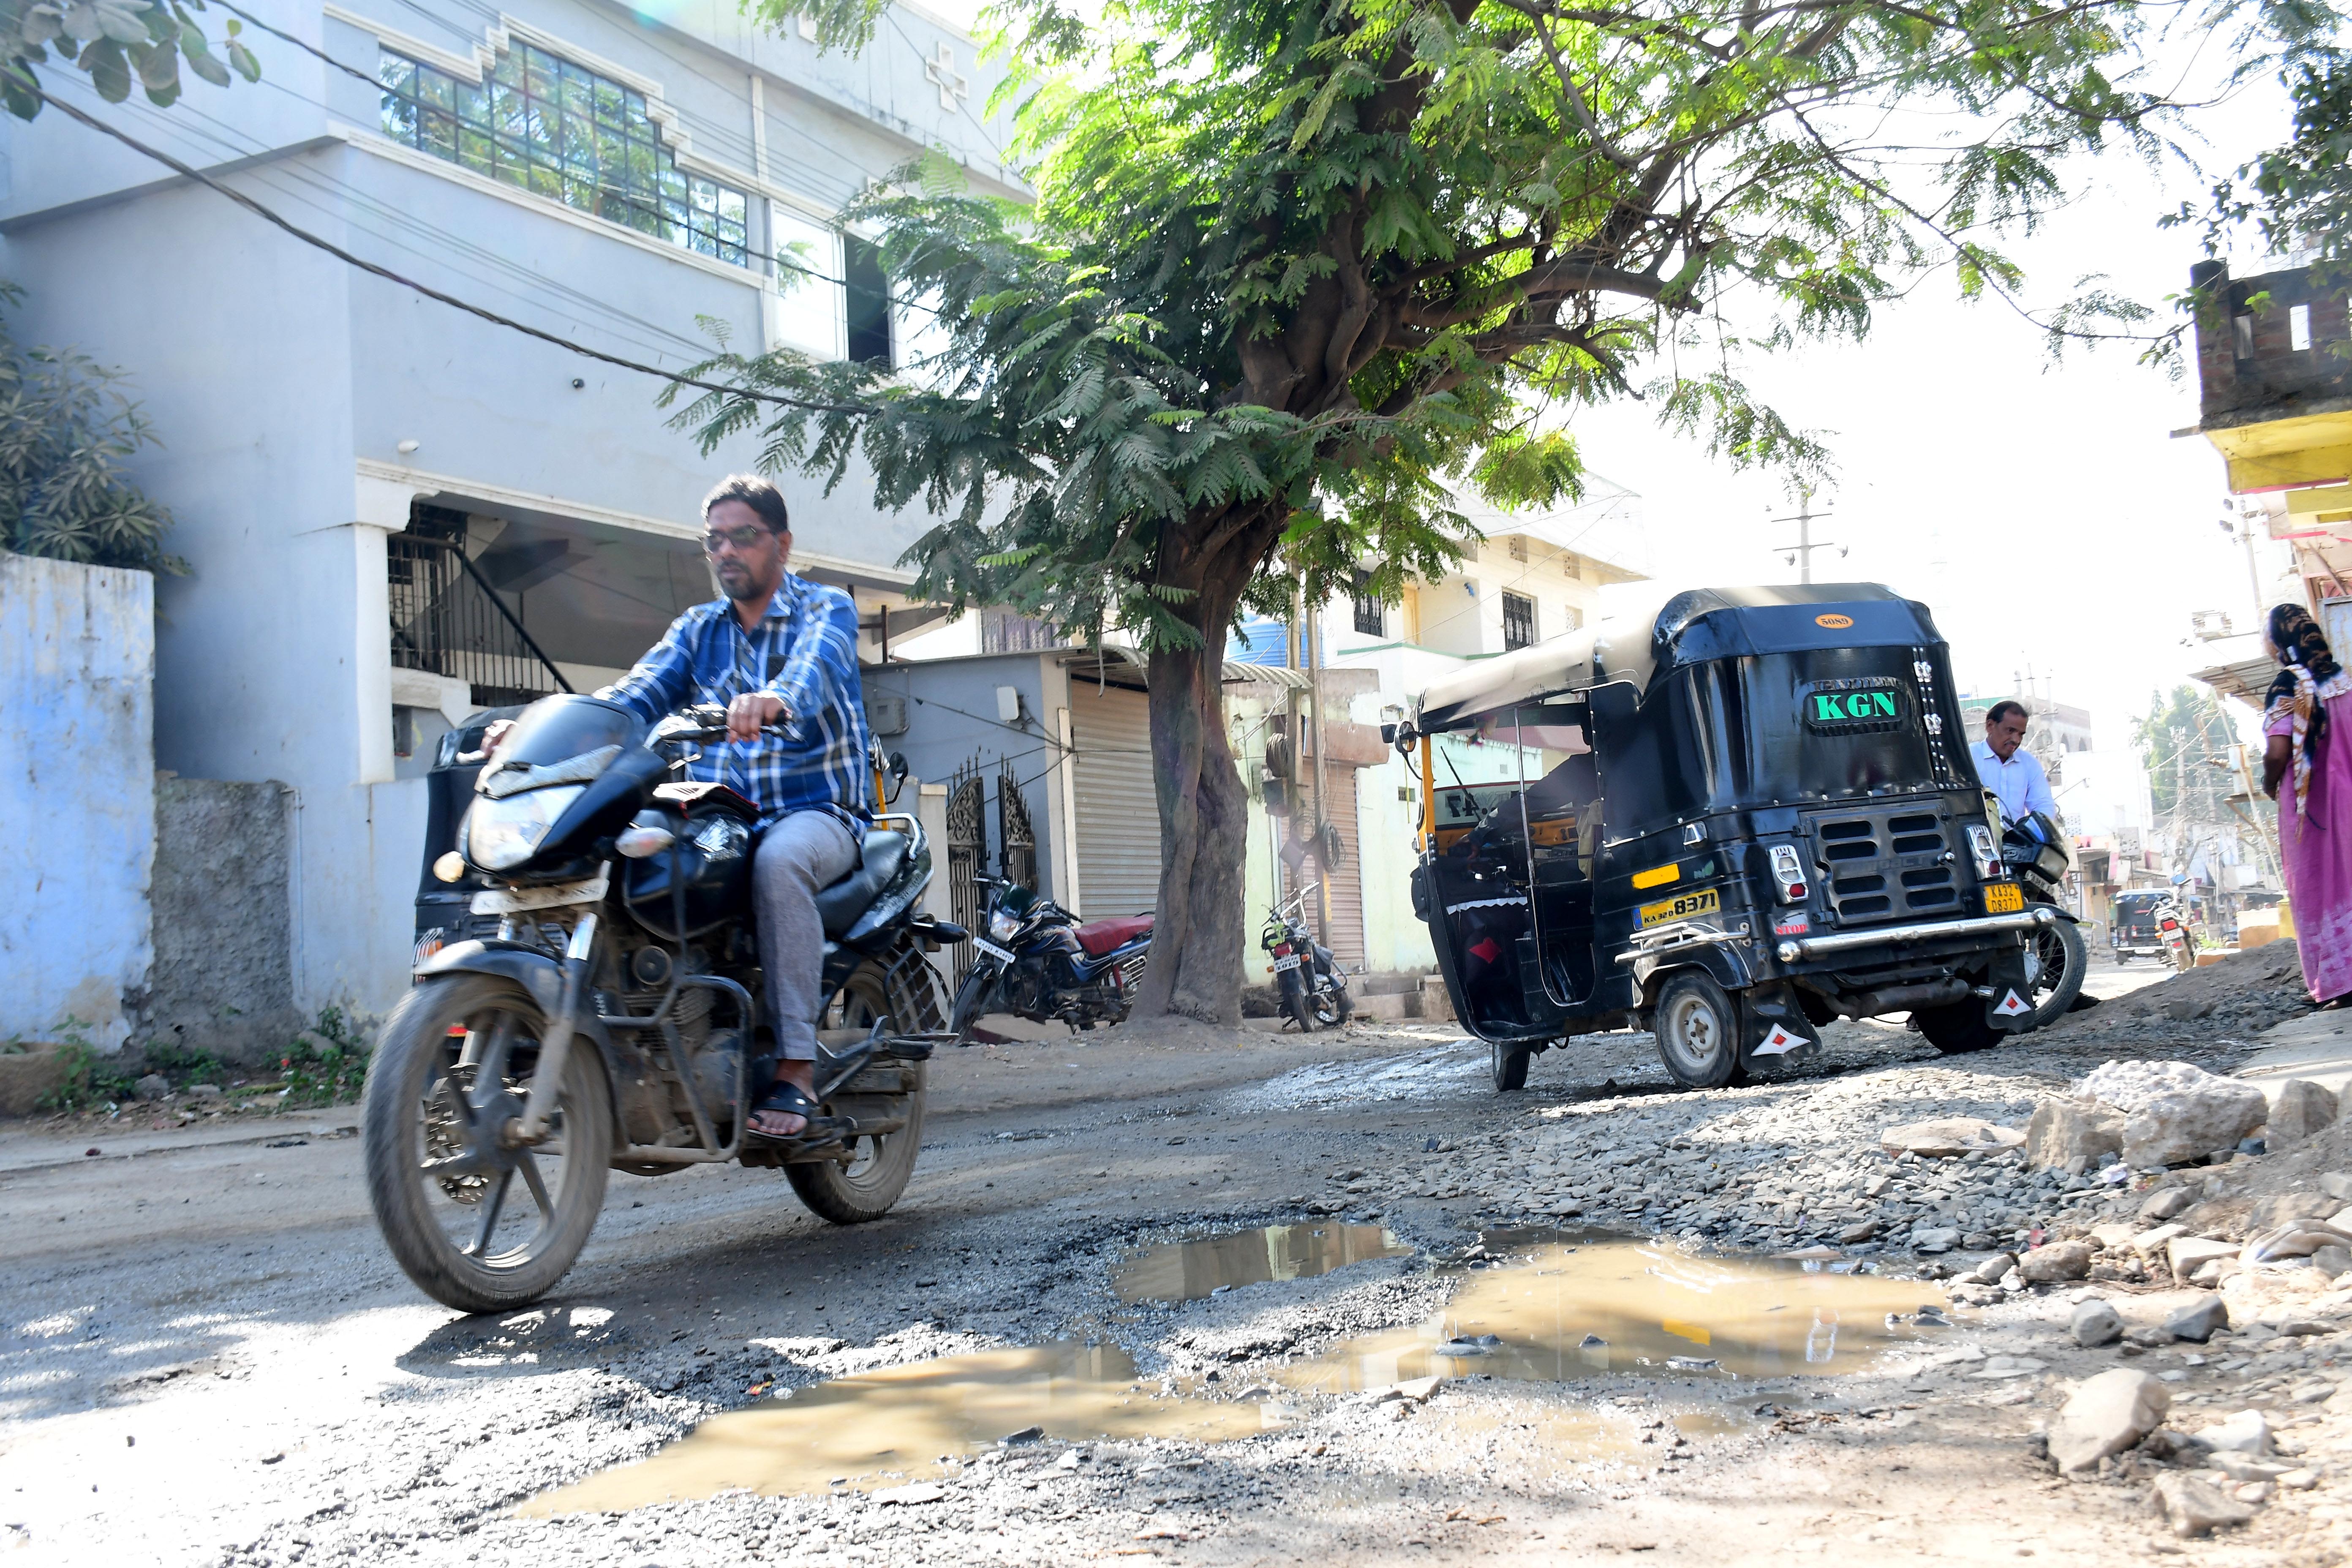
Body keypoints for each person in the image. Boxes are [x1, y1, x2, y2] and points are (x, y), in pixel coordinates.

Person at [602, 474, 873, 1139]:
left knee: (779, 864)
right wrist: (551, 726)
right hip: (723, 819)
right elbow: (635, 696)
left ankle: (796, 1069)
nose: (726, 551)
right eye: (714, 540)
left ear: (782, 542)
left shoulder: (826, 608)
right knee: (630, 858)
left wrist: (775, 699)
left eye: (743, 536)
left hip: (817, 811)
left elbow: (812, 671)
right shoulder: (698, 629)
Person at [2261, 604, 2352, 1006]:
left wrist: (2269, 782)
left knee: (2320, 885)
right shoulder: (2342, 681)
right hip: (2348, 796)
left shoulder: (2287, 685)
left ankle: (2339, 982)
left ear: (2280, 642)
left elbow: (2278, 751)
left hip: (2312, 808)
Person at [1971, 699, 2057, 827]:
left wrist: (2029, 833)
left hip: (2017, 839)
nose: (2016, 740)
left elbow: (2043, 807)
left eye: (2021, 734)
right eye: (2010, 731)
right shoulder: (1970, 758)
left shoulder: (2029, 764)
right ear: (1990, 726)